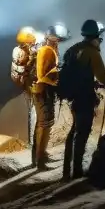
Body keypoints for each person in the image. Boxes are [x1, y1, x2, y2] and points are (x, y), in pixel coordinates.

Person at [58, 19, 105, 180]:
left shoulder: (73, 49)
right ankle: (76, 172)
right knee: (82, 133)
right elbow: (104, 77)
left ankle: (65, 171)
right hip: (85, 98)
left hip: (72, 97)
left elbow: (77, 73)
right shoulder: (92, 52)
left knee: (74, 132)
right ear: (96, 36)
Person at [31, 23, 68, 169]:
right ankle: (40, 161)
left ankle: (41, 156)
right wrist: (57, 79)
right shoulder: (47, 51)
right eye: (58, 39)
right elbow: (43, 75)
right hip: (43, 91)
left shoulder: (49, 49)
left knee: (45, 124)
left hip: (45, 91)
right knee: (43, 125)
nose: (59, 42)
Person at [10, 26, 40, 149]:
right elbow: (26, 66)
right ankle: (33, 142)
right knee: (33, 112)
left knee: (32, 112)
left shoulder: (18, 50)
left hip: (27, 83)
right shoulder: (22, 52)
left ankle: (33, 141)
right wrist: (33, 56)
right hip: (30, 84)